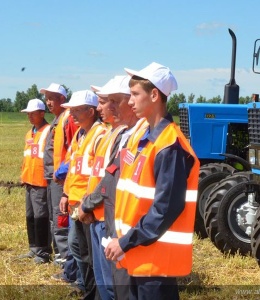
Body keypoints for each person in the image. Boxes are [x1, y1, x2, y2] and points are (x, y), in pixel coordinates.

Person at [105, 62, 200, 300]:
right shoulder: (146, 140)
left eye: (136, 94)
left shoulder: (169, 146)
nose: (129, 101)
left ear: (155, 95)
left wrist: (125, 242)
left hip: (157, 263)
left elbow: (165, 209)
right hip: (140, 256)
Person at [78, 75, 142, 300]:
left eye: (110, 100)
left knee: (117, 287)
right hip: (104, 216)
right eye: (106, 100)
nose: (102, 106)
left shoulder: (134, 137)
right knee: (107, 283)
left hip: (113, 222)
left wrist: (87, 203)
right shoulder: (119, 135)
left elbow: (110, 181)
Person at [59, 90, 107, 300]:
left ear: (90, 111)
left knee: (88, 252)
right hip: (76, 202)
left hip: (88, 206)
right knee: (77, 247)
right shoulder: (80, 134)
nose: (72, 115)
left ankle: (92, 291)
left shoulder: (100, 135)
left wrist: (87, 204)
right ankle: (87, 287)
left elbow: (98, 175)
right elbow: (73, 169)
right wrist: (66, 194)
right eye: (71, 111)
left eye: (77, 110)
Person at [39, 83, 78, 268]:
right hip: (52, 176)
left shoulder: (68, 119)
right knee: (55, 217)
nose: (48, 102)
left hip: (61, 179)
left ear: (62, 99)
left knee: (60, 216)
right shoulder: (58, 120)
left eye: (51, 98)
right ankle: (61, 255)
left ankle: (65, 258)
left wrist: (62, 173)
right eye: (46, 98)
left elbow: (74, 151)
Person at [19, 98, 52, 264]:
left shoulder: (48, 131)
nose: (29, 116)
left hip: (41, 183)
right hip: (29, 181)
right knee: (30, 216)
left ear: (42, 113)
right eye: (28, 114)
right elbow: (28, 157)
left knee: (41, 217)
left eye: (33, 113)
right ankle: (33, 247)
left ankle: (43, 251)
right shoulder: (30, 133)